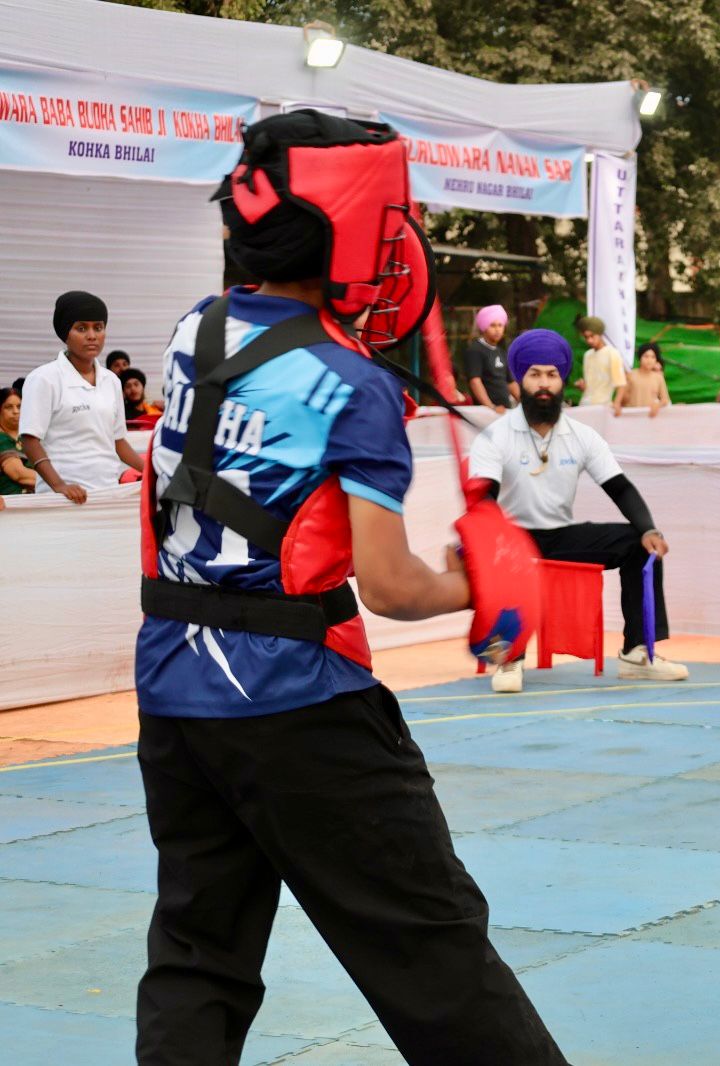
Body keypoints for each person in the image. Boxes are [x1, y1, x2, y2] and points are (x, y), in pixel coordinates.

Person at [132, 111, 567, 1065]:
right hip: (302, 705)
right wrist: (483, 581)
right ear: (364, 228)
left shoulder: (191, 330)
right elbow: (391, 585)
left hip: (172, 694)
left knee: (199, 956)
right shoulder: (350, 383)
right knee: (433, 947)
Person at [472, 329, 688, 692]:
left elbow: (619, 487)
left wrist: (650, 529)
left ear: (562, 381)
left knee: (639, 543)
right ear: (520, 380)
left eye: (552, 375)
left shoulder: (582, 435)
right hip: (512, 539)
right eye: (535, 374)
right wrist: (494, 539)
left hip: (561, 536)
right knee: (498, 548)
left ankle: (638, 653)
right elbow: (484, 498)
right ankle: (508, 658)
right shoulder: (495, 436)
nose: (544, 383)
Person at [18, 291, 143, 502]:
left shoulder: (111, 380)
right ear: (65, 333)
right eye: (81, 328)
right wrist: (59, 486)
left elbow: (118, 442)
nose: (92, 335)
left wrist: (152, 473)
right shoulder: (44, 378)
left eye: (99, 327)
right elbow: (30, 440)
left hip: (107, 492)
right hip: (62, 499)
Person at [463, 303, 517, 413]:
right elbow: (475, 382)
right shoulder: (475, 350)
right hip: (486, 413)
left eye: (500, 325)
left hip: (505, 411)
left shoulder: (501, 352)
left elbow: (511, 382)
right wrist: (491, 407)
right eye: (492, 325)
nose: (497, 329)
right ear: (484, 327)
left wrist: (526, 403)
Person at [575, 314, 627, 407]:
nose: (589, 340)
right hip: (584, 404)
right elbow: (591, 387)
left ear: (600, 334)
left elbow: (621, 383)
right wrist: (583, 386)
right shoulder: (587, 355)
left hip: (603, 407)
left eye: (592, 336)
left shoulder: (612, 353)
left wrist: (617, 403)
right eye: (586, 337)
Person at [613, 342, 671, 417]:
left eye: (653, 357)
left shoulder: (658, 377)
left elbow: (665, 399)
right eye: (646, 356)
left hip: (650, 417)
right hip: (631, 417)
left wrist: (658, 405)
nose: (649, 360)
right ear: (640, 358)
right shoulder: (630, 375)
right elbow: (621, 399)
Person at [0, 387, 38, 494]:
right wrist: (58, 481)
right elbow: (19, 474)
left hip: (36, 503)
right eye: (8, 407)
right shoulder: (1, 439)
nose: (16, 411)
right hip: (11, 506)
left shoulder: (29, 436)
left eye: (19, 406)